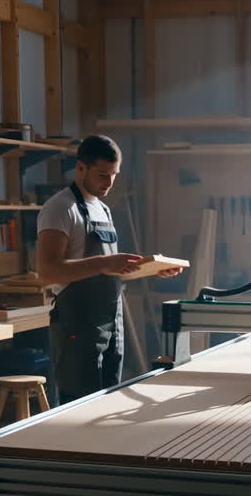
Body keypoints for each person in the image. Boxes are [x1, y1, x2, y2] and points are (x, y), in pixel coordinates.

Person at [37, 134, 183, 405]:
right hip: (78, 322)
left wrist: (149, 269)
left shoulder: (102, 209)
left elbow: (107, 267)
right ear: (81, 167)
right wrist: (106, 263)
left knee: (107, 399)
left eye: (114, 175)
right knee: (78, 404)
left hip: (109, 317)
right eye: (103, 174)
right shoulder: (60, 208)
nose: (109, 183)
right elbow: (48, 271)